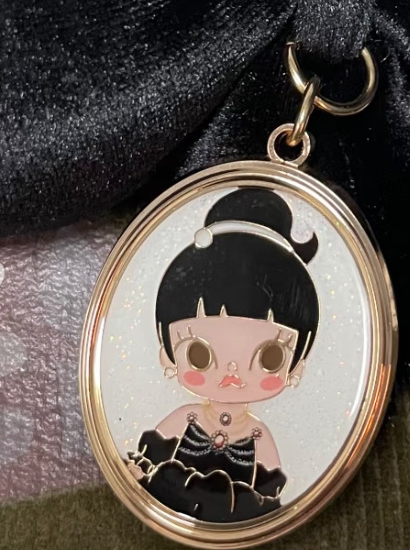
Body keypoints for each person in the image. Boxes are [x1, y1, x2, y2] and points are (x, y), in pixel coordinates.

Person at [132, 186, 320, 522]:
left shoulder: (259, 437)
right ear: (167, 354)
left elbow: (271, 494)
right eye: (200, 355)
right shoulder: (187, 418)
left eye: (270, 358)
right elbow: (147, 461)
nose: (232, 372)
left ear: (296, 368)